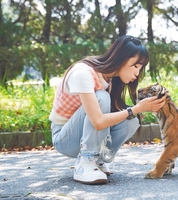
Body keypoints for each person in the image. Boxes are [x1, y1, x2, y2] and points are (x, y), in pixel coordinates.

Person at [49, 35, 165, 185]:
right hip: (65, 138)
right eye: (136, 66)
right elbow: (98, 122)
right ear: (121, 59)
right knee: (103, 98)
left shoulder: (111, 79)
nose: (137, 73)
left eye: (141, 68)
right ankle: (86, 163)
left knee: (132, 120)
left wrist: (137, 110)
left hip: (83, 134)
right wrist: (135, 109)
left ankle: (99, 160)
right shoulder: (83, 72)